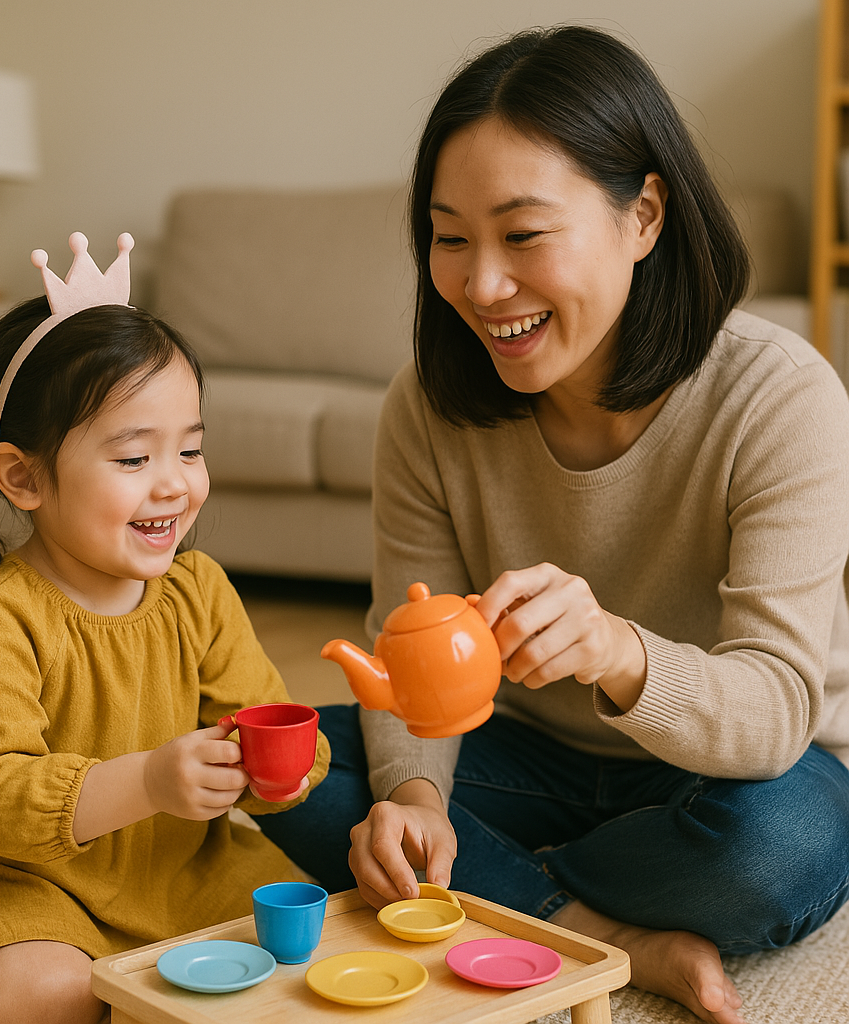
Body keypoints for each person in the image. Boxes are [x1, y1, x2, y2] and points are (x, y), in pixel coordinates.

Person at [254, 25, 849, 1024]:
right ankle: (595, 928)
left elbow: (776, 705)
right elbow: (407, 665)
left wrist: (619, 650)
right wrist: (414, 798)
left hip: (740, 776)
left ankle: (482, 891)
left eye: (523, 236)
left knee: (774, 851)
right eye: (450, 238)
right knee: (260, 758)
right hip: (519, 756)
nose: (482, 287)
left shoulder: (780, 397)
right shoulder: (427, 407)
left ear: (643, 215)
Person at [0, 233, 330, 1024]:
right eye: (133, 460)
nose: (175, 482)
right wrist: (153, 781)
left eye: (190, 449)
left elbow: (259, 711)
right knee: (50, 1000)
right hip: (10, 865)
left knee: (295, 953)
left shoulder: (198, 589)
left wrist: (283, 769)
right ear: (22, 476)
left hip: (166, 861)